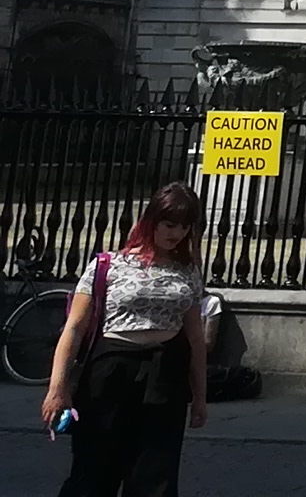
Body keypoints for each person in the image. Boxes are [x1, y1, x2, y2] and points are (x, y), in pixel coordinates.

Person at [39, 182, 210, 497]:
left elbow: (196, 338)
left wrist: (200, 396)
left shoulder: (187, 271)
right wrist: (57, 388)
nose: (177, 233)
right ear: (151, 220)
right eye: (169, 224)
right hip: (111, 371)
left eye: (185, 226)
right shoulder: (108, 265)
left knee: (155, 475)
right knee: (94, 471)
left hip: (164, 374)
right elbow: (74, 328)